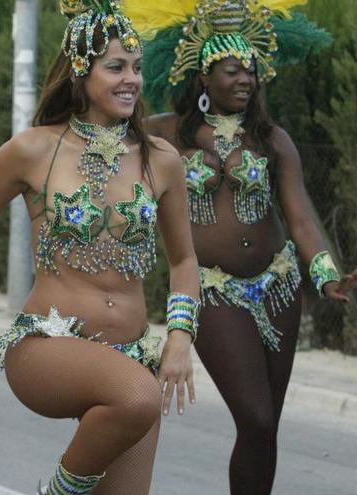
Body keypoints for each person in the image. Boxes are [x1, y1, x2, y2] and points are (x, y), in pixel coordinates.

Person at [0, 1, 199, 493]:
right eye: (115, 67)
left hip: (131, 356)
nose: (131, 78)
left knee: (135, 402)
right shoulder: (32, 149)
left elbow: (184, 259)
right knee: (139, 396)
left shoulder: (162, 160)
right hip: (47, 347)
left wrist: (180, 336)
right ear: (80, 74)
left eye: (136, 67)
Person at [130, 1, 357, 493]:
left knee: (266, 425)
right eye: (232, 69)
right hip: (212, 293)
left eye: (252, 70)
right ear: (203, 76)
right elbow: (105, 127)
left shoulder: (272, 139)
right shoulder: (166, 132)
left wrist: (325, 274)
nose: (245, 79)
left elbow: (299, 218)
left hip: (278, 288)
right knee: (253, 416)